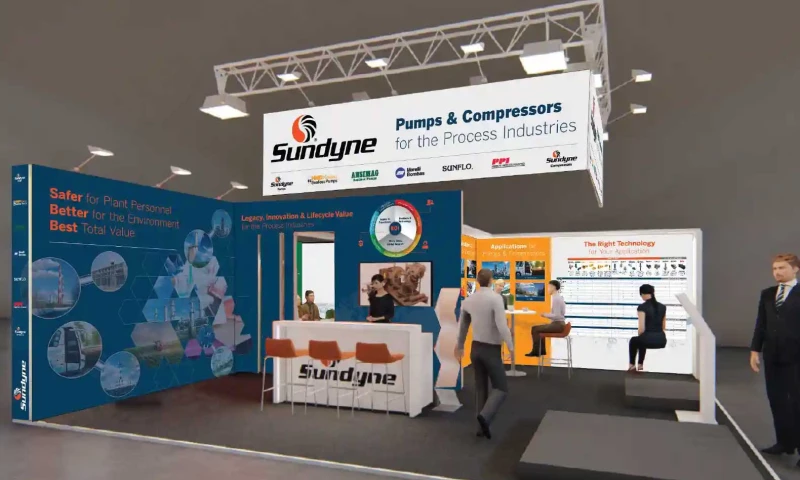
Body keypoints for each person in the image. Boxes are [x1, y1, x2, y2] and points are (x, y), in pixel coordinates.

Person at [750, 254, 800, 462]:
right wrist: (755, 350)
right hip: (772, 356)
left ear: (795, 269)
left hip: (796, 357)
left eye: (782, 268)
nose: (777, 272)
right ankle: (784, 442)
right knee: (777, 400)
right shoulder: (768, 294)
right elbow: (761, 324)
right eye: (774, 269)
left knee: (796, 402)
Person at [455, 268, 514, 440]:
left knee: (481, 388)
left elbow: (463, 326)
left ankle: (480, 428)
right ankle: (485, 416)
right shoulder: (495, 298)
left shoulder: (468, 300)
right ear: (491, 281)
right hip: (491, 349)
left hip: (476, 349)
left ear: (477, 281)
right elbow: (501, 325)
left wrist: (460, 345)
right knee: (501, 388)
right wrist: (510, 346)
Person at [628, 284, 667, 372]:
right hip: (662, 340)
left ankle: (632, 365)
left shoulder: (642, 307)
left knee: (635, 340)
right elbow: (663, 327)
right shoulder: (663, 307)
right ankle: (640, 365)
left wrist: (642, 336)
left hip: (648, 339)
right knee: (642, 339)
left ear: (642, 294)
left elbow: (641, 328)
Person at [525, 280, 566, 357]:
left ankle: (536, 352)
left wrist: (545, 315)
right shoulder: (558, 297)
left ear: (553, 287)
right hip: (559, 324)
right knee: (539, 328)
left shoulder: (556, 299)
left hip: (558, 325)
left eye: (548, 287)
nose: (547, 289)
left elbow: (557, 315)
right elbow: (561, 313)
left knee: (535, 329)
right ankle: (540, 351)